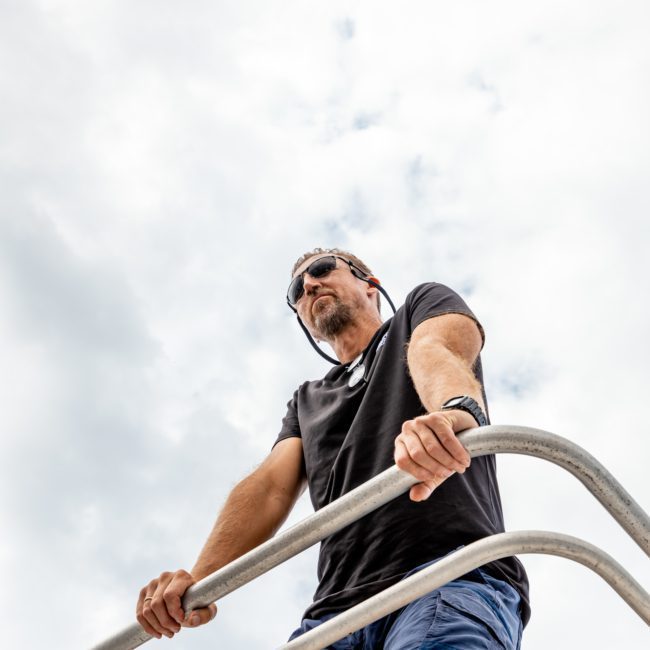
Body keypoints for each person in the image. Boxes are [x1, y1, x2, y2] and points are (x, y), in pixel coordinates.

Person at [135, 248, 530, 649]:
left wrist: (452, 412)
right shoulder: (307, 400)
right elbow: (271, 486)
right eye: (297, 290)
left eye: (322, 270)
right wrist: (199, 581)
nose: (309, 285)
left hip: (448, 574)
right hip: (334, 615)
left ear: (369, 284)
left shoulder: (418, 309)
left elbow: (439, 346)